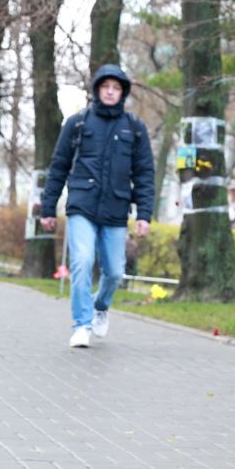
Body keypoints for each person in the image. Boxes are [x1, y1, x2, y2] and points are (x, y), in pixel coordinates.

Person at [38, 64, 155, 349]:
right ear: (97, 90)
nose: (111, 92)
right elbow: (58, 167)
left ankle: (100, 306)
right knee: (81, 262)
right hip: (82, 205)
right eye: (106, 87)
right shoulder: (77, 123)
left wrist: (144, 215)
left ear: (122, 92)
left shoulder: (135, 128)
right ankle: (81, 324)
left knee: (114, 272)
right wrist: (47, 208)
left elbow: (144, 174)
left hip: (116, 209)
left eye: (116, 88)